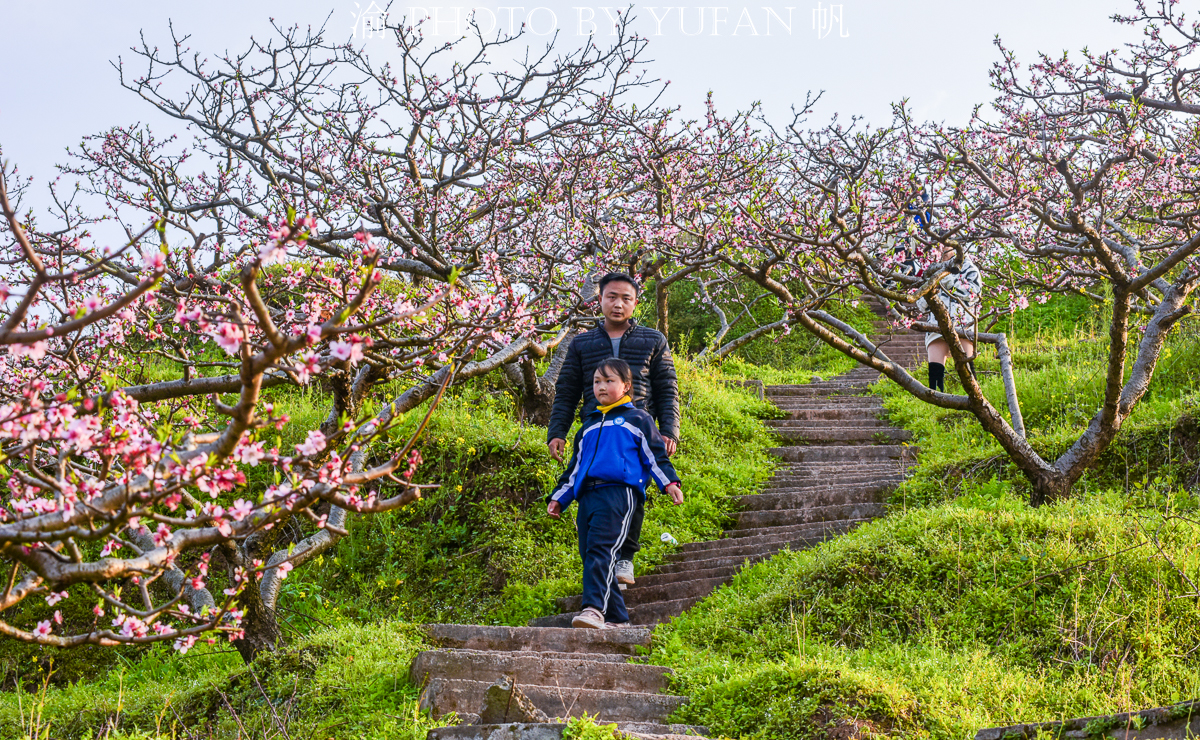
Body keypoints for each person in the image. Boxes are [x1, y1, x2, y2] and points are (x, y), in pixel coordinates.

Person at [547, 272, 679, 588]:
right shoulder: (582, 343)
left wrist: (669, 430)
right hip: (595, 430)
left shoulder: (653, 340)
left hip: (636, 430)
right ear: (600, 300)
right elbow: (566, 389)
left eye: (625, 298)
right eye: (611, 297)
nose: (618, 304)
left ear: (635, 303)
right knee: (594, 492)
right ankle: (603, 564)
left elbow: (666, 388)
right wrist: (558, 431)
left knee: (633, 491)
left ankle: (624, 558)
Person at [547, 359, 683, 628]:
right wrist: (559, 498)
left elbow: (655, 456)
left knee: (602, 550)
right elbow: (574, 469)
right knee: (591, 555)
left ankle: (594, 609)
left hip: (619, 494)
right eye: (597, 381)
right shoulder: (587, 427)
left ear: (626, 387)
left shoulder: (637, 419)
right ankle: (619, 619)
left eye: (609, 381)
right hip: (588, 496)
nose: (601, 386)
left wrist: (669, 483)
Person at [917, 246, 982, 391]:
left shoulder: (968, 267)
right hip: (936, 324)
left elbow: (974, 294)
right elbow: (921, 305)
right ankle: (936, 400)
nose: (941, 249)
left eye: (945, 246)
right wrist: (928, 292)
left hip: (962, 324)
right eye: (938, 245)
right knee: (935, 371)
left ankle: (975, 397)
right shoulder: (932, 268)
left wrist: (948, 280)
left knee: (967, 368)